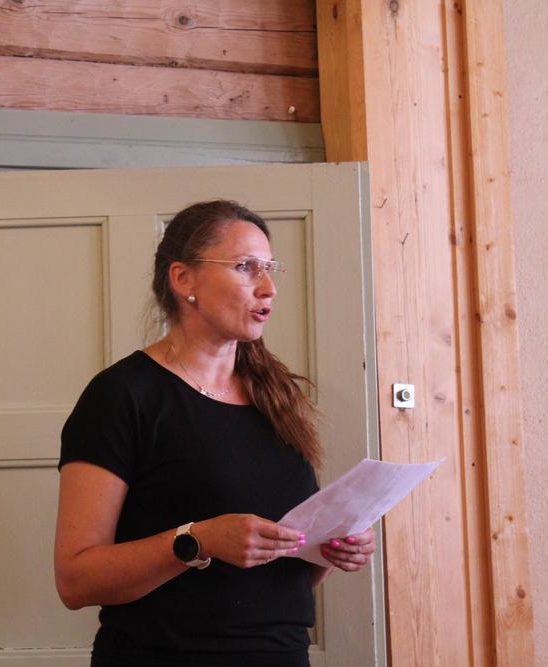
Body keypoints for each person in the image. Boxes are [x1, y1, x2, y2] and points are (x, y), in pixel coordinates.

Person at [55, 200, 375, 666]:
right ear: (183, 279)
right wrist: (197, 540)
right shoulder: (122, 396)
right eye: (246, 267)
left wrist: (327, 549)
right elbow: (75, 581)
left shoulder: (277, 395)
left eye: (270, 269)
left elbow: (279, 578)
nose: (268, 288)